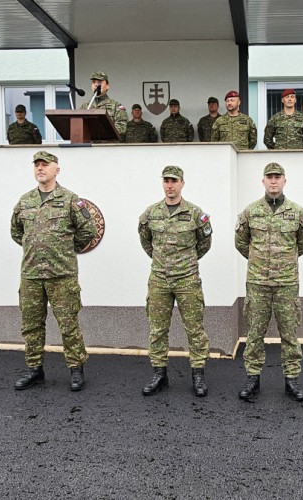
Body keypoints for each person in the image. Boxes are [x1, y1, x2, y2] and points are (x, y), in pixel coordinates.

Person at [11, 151, 97, 392]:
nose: (40, 169)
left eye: (45, 165)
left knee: (68, 324)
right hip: (31, 274)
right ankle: (34, 369)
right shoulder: (25, 201)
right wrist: (36, 248)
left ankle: (76, 369)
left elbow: (87, 231)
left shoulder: (70, 200)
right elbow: (16, 232)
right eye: (37, 165)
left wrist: (64, 250)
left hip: (62, 275)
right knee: (31, 325)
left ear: (56, 169)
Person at [235, 162, 303, 402]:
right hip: (258, 283)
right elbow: (241, 243)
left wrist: (283, 262)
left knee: (289, 333)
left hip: (286, 283)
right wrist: (261, 262)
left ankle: (292, 380)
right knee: (255, 333)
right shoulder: (251, 212)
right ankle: (252, 378)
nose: (273, 181)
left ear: (284, 181)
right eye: (269, 177)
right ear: (263, 181)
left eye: (277, 177)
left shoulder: (297, 213)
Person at [138, 166, 213, 397]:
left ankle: (198, 374)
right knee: (157, 329)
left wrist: (185, 262)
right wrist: (164, 262)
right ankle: (159, 373)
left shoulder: (195, 214)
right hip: (159, 280)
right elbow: (146, 242)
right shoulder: (151, 213)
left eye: (174, 181)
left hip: (187, 280)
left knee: (195, 329)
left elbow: (204, 244)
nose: (169, 185)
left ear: (182, 183)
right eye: (166, 181)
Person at [79, 71, 128, 138]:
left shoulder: (116, 106)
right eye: (94, 82)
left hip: (108, 146)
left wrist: (100, 132)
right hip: (89, 146)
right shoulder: (85, 107)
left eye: (99, 82)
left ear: (107, 86)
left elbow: (121, 128)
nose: (96, 84)